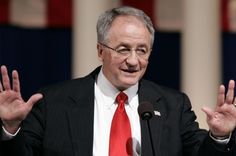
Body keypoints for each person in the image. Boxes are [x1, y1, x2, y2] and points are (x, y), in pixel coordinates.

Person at [0, 6, 236, 156]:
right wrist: (10, 129)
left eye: (142, 50)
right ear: (100, 50)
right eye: (123, 49)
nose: (134, 61)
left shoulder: (173, 106)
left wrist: (219, 137)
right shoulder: (54, 103)